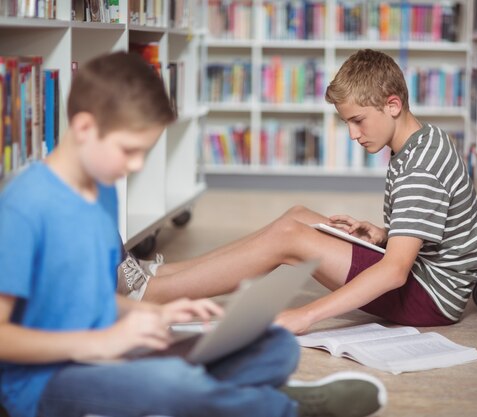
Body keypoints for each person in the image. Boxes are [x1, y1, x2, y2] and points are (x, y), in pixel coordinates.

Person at [0, 51, 386, 417]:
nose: (134, 165)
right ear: (85, 127)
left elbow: (89, 299)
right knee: (172, 379)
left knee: (275, 346)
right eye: (128, 150)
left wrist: (157, 313)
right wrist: (95, 343)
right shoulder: (24, 207)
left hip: (111, 352)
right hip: (48, 382)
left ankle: (214, 399)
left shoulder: (99, 189)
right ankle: (281, 408)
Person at [120, 49, 477, 335]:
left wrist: (305, 314)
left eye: (358, 121)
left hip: (430, 297)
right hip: (426, 275)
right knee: (297, 215)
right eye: (347, 123)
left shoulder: (418, 168)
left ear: (393, 105)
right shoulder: (425, 139)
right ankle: (160, 277)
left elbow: (394, 272)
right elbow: (434, 227)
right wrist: (384, 233)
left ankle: (152, 292)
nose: (353, 135)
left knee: (290, 238)